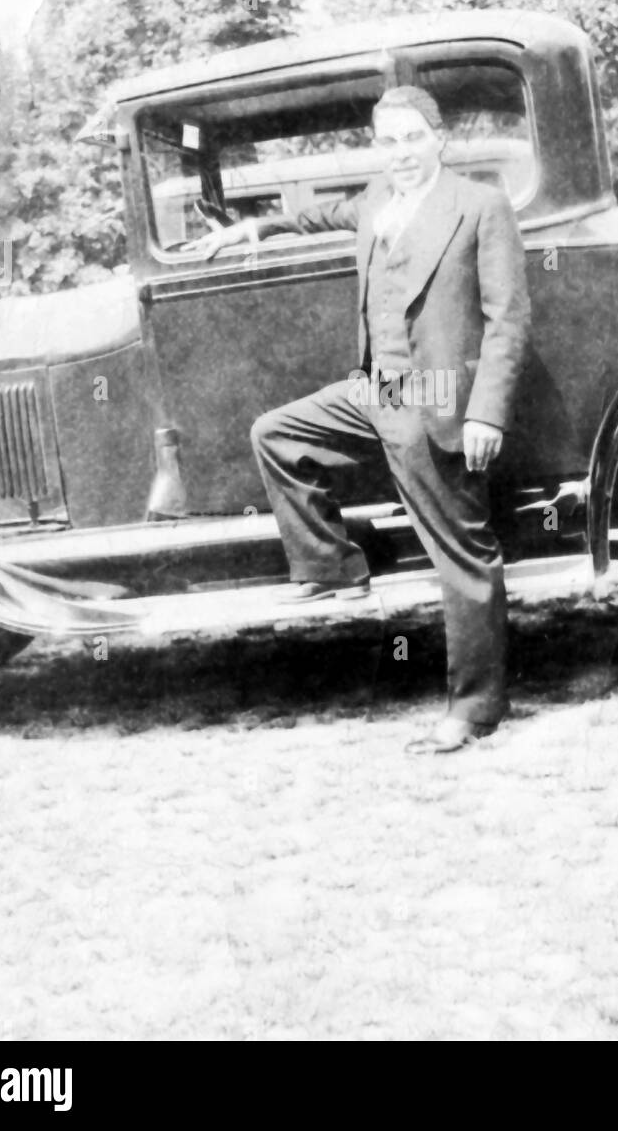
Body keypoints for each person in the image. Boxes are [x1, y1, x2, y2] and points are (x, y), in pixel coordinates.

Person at [187, 86, 531, 753]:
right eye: (388, 140)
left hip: (434, 402)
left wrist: (487, 412)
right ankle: (336, 567)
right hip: (374, 391)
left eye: (411, 139)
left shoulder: (479, 206)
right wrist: (257, 226)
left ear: (439, 140)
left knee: (463, 555)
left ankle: (475, 707)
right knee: (277, 435)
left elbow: (508, 321)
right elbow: (322, 217)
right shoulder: (377, 199)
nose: (400, 153)